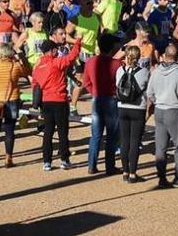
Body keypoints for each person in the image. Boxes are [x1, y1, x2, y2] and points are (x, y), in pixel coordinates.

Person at [147, 43, 178, 188]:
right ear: (177, 57)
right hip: (174, 111)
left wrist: (159, 102)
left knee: (160, 147)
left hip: (159, 111)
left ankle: (162, 178)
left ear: (164, 56)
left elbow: (150, 94)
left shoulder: (155, 71)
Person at [32, 37, 82, 171]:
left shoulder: (37, 67)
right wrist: (77, 42)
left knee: (48, 132)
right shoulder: (56, 63)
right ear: (52, 50)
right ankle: (64, 160)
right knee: (62, 132)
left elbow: (35, 84)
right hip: (59, 100)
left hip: (46, 102)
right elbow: (71, 57)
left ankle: (47, 161)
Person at [82, 33, 121, 175]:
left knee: (96, 135)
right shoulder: (117, 64)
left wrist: (94, 92)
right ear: (112, 47)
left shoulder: (91, 61)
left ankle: (91, 165)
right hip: (111, 100)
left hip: (97, 99)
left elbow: (85, 83)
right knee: (111, 135)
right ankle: (109, 167)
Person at [116, 45, 150, 183]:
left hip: (122, 107)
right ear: (139, 56)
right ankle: (133, 173)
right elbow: (148, 90)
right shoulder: (145, 72)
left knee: (124, 140)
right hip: (138, 108)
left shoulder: (119, 70)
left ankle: (124, 171)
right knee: (135, 141)